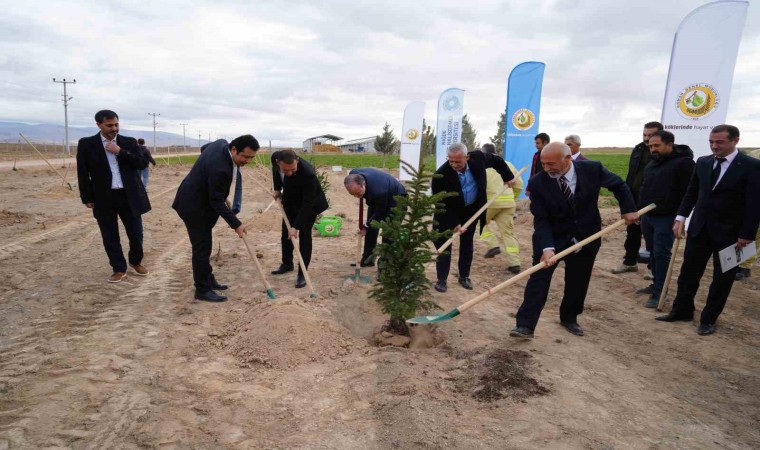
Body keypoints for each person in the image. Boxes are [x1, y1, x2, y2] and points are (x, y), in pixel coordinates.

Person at [510, 142, 637, 339]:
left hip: (586, 235)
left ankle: (569, 318)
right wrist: (547, 248)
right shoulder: (538, 183)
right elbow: (541, 219)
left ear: (568, 158)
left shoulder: (592, 169)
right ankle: (525, 325)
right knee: (538, 279)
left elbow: (619, 185)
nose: (546, 168)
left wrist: (628, 209)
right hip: (553, 236)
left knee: (578, 280)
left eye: (551, 164)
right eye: (543, 164)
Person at [656, 125, 760, 335]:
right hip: (700, 229)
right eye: (711, 142)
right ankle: (682, 310)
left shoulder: (751, 166)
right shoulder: (703, 162)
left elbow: (754, 203)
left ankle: (709, 319)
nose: (714, 146)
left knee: (722, 279)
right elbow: (692, 192)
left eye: (720, 142)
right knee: (688, 273)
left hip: (731, 234)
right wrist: (680, 217)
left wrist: (747, 234)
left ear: (735, 141)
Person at [173, 135, 260, 302]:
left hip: (197, 197)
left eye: (251, 157)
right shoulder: (221, 169)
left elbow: (204, 148)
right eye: (245, 156)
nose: (248, 161)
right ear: (234, 149)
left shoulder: (221, 143)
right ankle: (202, 289)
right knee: (202, 248)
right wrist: (236, 225)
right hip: (194, 207)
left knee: (205, 244)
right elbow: (216, 202)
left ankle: (208, 278)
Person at [76, 110, 151, 283]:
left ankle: (135, 261)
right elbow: (82, 172)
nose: (114, 128)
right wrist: (86, 197)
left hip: (129, 196)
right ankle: (118, 268)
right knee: (110, 235)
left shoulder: (128, 142)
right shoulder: (87, 144)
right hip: (103, 197)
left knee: (136, 233)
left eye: (116, 124)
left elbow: (142, 163)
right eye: (109, 125)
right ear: (99, 125)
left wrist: (119, 151)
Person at [432, 143, 515, 292]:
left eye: (458, 161)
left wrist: (508, 177)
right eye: (451, 161)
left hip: (471, 210)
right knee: (443, 244)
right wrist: (454, 223)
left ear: (467, 157)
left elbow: (497, 161)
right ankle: (442, 279)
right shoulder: (441, 175)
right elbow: (440, 203)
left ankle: (464, 276)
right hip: (448, 212)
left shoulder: (478, 158)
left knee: (467, 244)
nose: (454, 164)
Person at [637, 131, 694, 308]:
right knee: (652, 252)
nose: (652, 149)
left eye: (656, 146)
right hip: (648, 215)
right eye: (650, 146)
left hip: (667, 217)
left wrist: (681, 218)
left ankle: (661, 291)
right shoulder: (654, 162)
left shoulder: (684, 164)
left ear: (669, 145)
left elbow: (689, 193)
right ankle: (656, 283)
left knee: (662, 254)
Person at [270, 150, 329, 288]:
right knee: (286, 233)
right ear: (278, 163)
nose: (289, 173)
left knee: (304, 235)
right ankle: (287, 264)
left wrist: (296, 227)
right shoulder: (275, 159)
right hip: (290, 200)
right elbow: (275, 172)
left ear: (297, 160)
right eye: (285, 170)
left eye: (293, 170)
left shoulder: (308, 174)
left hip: (309, 204)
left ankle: (302, 272)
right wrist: (278, 189)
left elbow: (308, 204)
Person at [612, 122, 662, 277]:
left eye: (650, 135)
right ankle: (630, 262)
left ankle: (652, 268)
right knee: (632, 233)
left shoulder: (662, 152)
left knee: (651, 236)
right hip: (633, 199)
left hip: (650, 202)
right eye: (644, 135)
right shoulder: (638, 149)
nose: (647, 139)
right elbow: (631, 174)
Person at [343, 168, 407, 272]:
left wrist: (366, 226)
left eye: (358, 193)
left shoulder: (378, 192)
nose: (356, 196)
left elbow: (379, 213)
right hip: (377, 200)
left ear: (364, 184)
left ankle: (384, 268)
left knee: (388, 234)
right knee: (371, 231)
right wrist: (367, 227)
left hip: (396, 200)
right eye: (353, 194)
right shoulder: (353, 175)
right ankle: (368, 260)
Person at [478, 143, 524, 273]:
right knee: (508, 233)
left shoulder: (483, 166)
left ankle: (493, 245)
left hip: (490, 202)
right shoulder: (508, 164)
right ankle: (514, 264)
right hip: (508, 203)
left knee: (479, 224)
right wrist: (512, 197)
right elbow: (519, 184)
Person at [735, 149, 760, 281]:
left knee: (753, 237)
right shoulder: (755, 154)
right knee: (748, 234)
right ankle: (738, 264)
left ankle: (744, 268)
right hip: (751, 201)